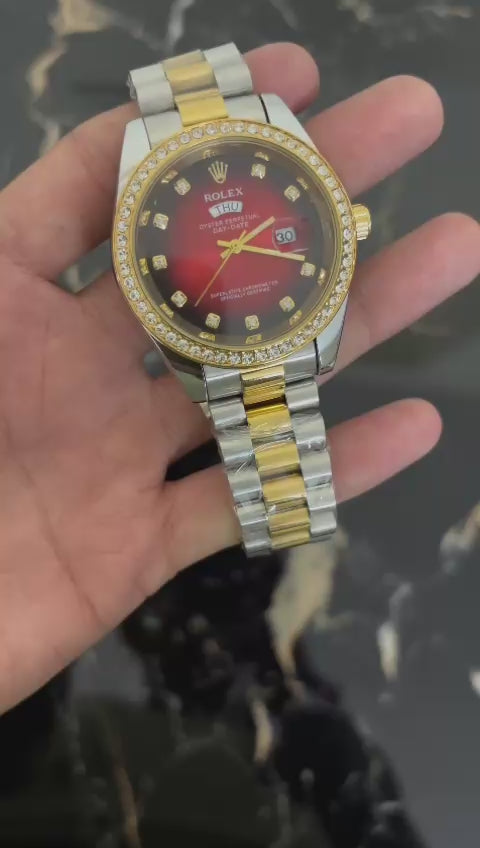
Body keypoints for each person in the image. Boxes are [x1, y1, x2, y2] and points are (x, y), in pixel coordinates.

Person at [0, 42, 478, 715]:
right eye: (225, 243)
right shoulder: (162, 240)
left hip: (266, 327)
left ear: (344, 225)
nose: (232, 245)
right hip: (220, 336)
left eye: (242, 240)